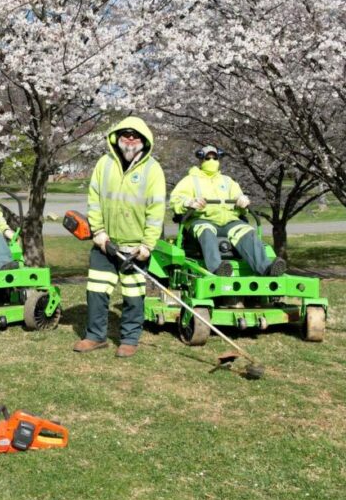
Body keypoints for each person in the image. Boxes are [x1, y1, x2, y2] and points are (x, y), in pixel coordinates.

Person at [74, 117, 166, 358]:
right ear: (118, 137)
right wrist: (99, 232)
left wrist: (147, 245)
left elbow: (156, 212)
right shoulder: (104, 164)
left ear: (144, 140)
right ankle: (95, 336)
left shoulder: (152, 169)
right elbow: (94, 200)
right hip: (106, 244)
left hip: (135, 248)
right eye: (126, 134)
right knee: (96, 291)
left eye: (135, 135)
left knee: (133, 295)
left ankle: (129, 339)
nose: (130, 139)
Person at [170, 145, 286, 277]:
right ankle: (217, 269)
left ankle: (266, 269)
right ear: (201, 160)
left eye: (215, 158)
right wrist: (189, 202)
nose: (212, 161)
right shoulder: (190, 180)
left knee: (247, 231)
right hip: (202, 219)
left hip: (229, 221)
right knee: (206, 231)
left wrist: (241, 200)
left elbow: (237, 195)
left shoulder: (227, 181)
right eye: (208, 158)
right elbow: (176, 199)